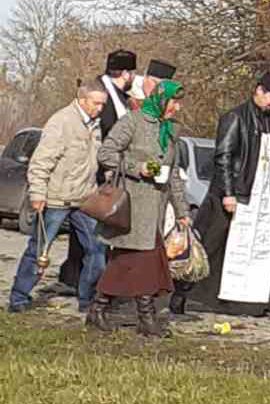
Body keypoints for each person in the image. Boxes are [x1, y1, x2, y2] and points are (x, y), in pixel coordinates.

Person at [178, 67, 270, 317]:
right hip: (233, 193)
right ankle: (184, 293)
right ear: (258, 91)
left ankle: (248, 298)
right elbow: (224, 157)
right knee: (213, 244)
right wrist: (228, 192)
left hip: (260, 196)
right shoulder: (235, 117)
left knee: (256, 247)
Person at [87, 80, 190, 337]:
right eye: (173, 102)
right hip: (132, 207)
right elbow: (106, 153)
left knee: (140, 262)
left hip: (155, 210)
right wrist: (138, 168)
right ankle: (134, 315)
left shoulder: (171, 131)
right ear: (160, 100)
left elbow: (173, 173)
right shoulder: (133, 121)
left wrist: (182, 211)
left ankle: (112, 311)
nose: (177, 108)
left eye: (179, 103)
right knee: (136, 261)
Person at [8, 81, 109, 315]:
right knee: (39, 250)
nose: (100, 108)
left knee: (97, 250)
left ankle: (87, 299)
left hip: (85, 199)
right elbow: (41, 161)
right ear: (82, 100)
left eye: (103, 104)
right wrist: (37, 193)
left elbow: (95, 159)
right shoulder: (61, 122)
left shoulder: (94, 125)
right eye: (96, 103)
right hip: (56, 199)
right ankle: (18, 298)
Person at [59, 49, 141, 291]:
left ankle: (78, 276)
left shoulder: (118, 96)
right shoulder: (104, 97)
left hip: (102, 168)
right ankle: (81, 278)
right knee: (88, 230)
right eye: (131, 72)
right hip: (94, 170)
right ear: (124, 72)